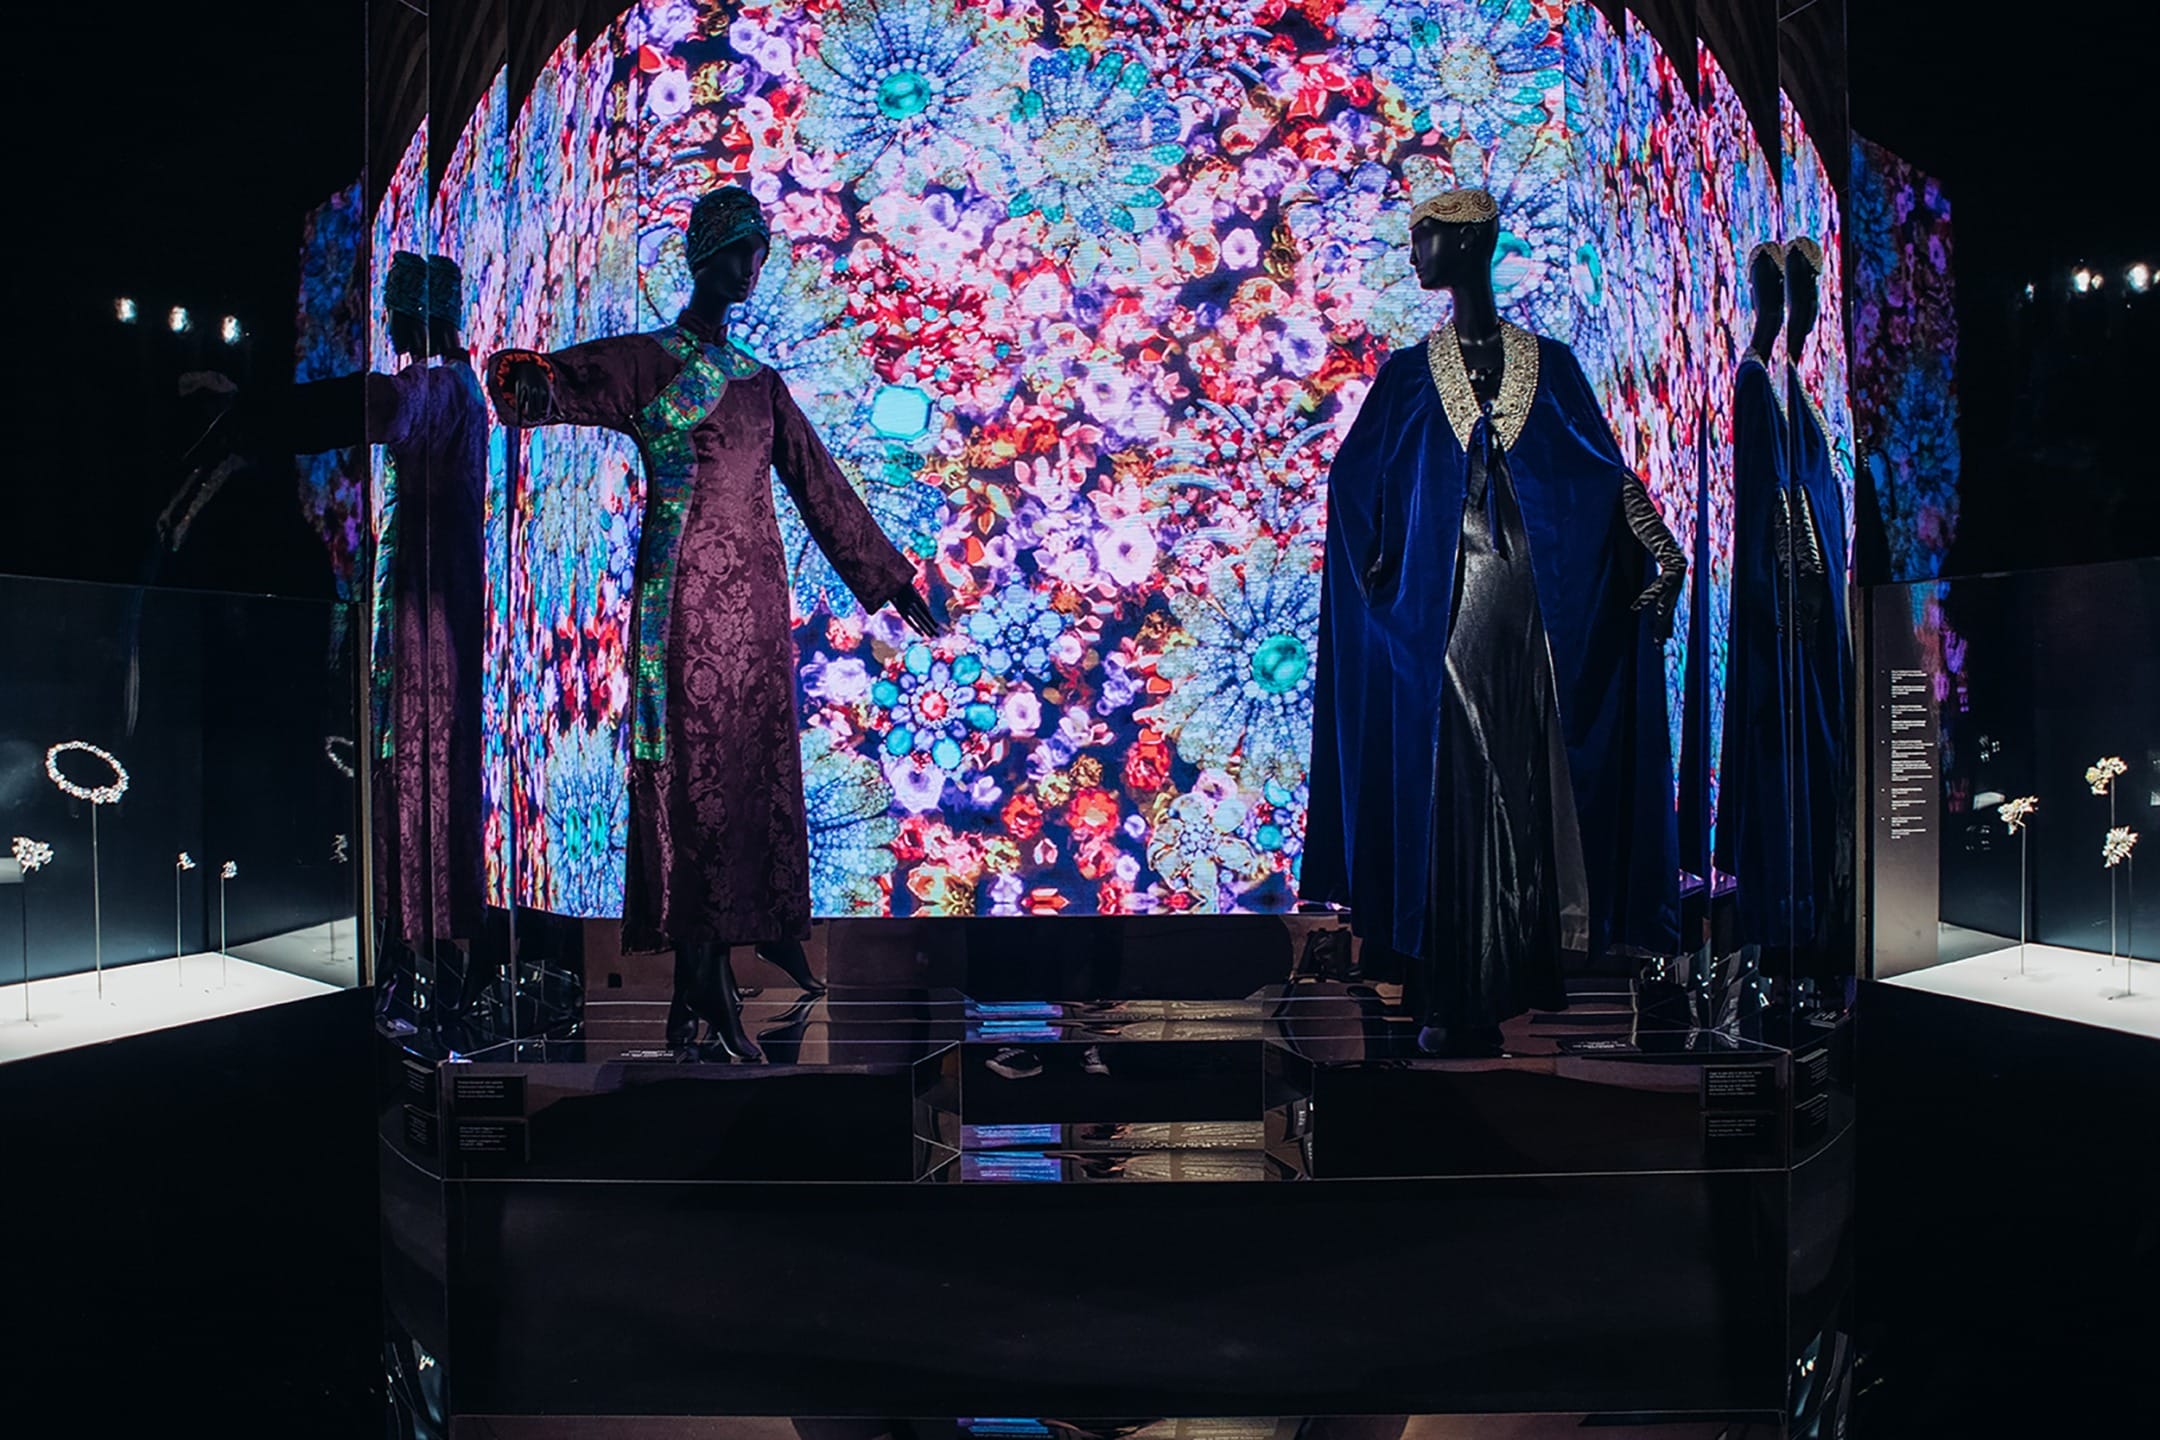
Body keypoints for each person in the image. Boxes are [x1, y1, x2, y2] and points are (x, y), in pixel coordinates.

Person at [486, 186, 935, 1060]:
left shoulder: (762, 388)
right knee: (689, 778)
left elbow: (820, 485)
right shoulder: (651, 362)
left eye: (760, 253)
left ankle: (710, 982)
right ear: (703, 257)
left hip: (758, 613)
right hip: (681, 604)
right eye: (739, 251)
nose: (751, 268)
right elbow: (538, 383)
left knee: (747, 776)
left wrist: (886, 577)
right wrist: (524, 381)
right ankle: (704, 980)